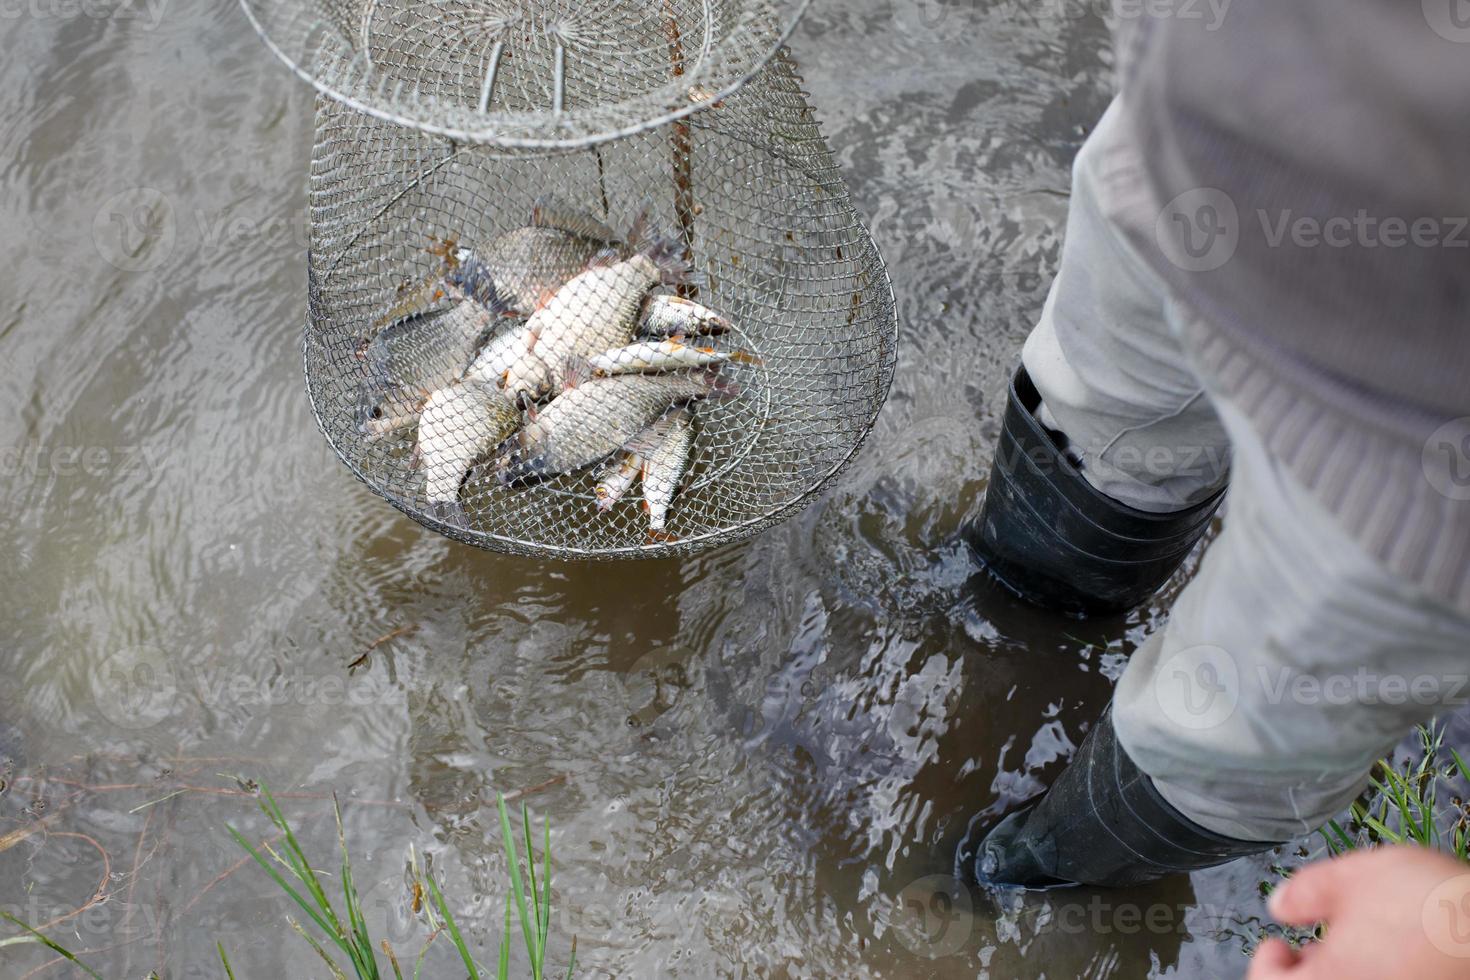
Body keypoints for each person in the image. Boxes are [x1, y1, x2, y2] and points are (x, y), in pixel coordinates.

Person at [960, 0, 1470, 903]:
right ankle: (1015, 610)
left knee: (1242, 724)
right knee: (1093, 410)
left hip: (1427, 432)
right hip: (1216, 112)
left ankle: (1022, 879)